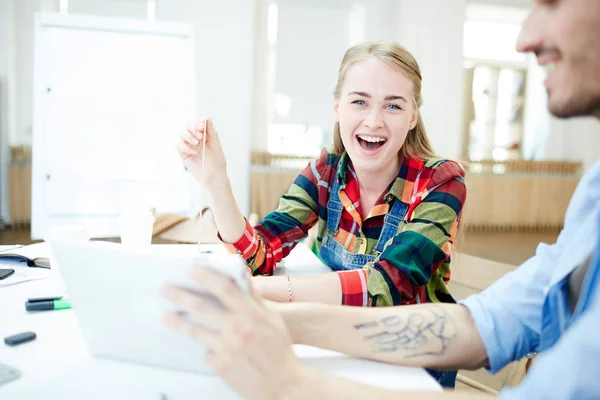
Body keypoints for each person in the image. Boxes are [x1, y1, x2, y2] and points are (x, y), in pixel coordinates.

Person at [165, 0, 600, 398]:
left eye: (393, 106)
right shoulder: (326, 170)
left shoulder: (441, 181)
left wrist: (261, 298)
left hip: (409, 364)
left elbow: (386, 285)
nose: (374, 120)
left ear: (413, 116)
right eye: (359, 101)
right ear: (337, 107)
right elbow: (260, 252)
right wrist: (217, 182)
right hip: (340, 343)